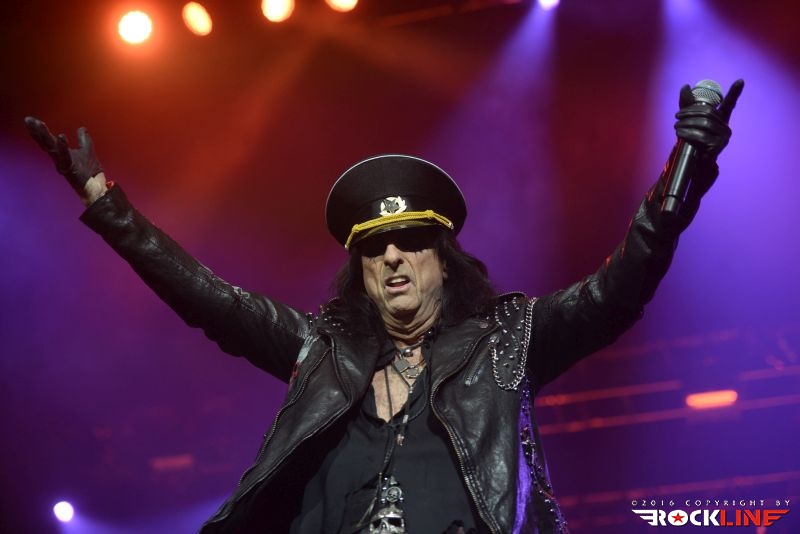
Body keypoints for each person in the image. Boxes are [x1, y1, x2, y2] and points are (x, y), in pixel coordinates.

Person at [25, 79, 743, 533]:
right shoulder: (321, 349)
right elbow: (208, 298)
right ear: (361, 270)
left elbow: (617, 292)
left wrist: (680, 179)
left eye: (410, 242)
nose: (392, 257)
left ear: (443, 258)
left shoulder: (509, 338)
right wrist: (106, 204)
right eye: (375, 248)